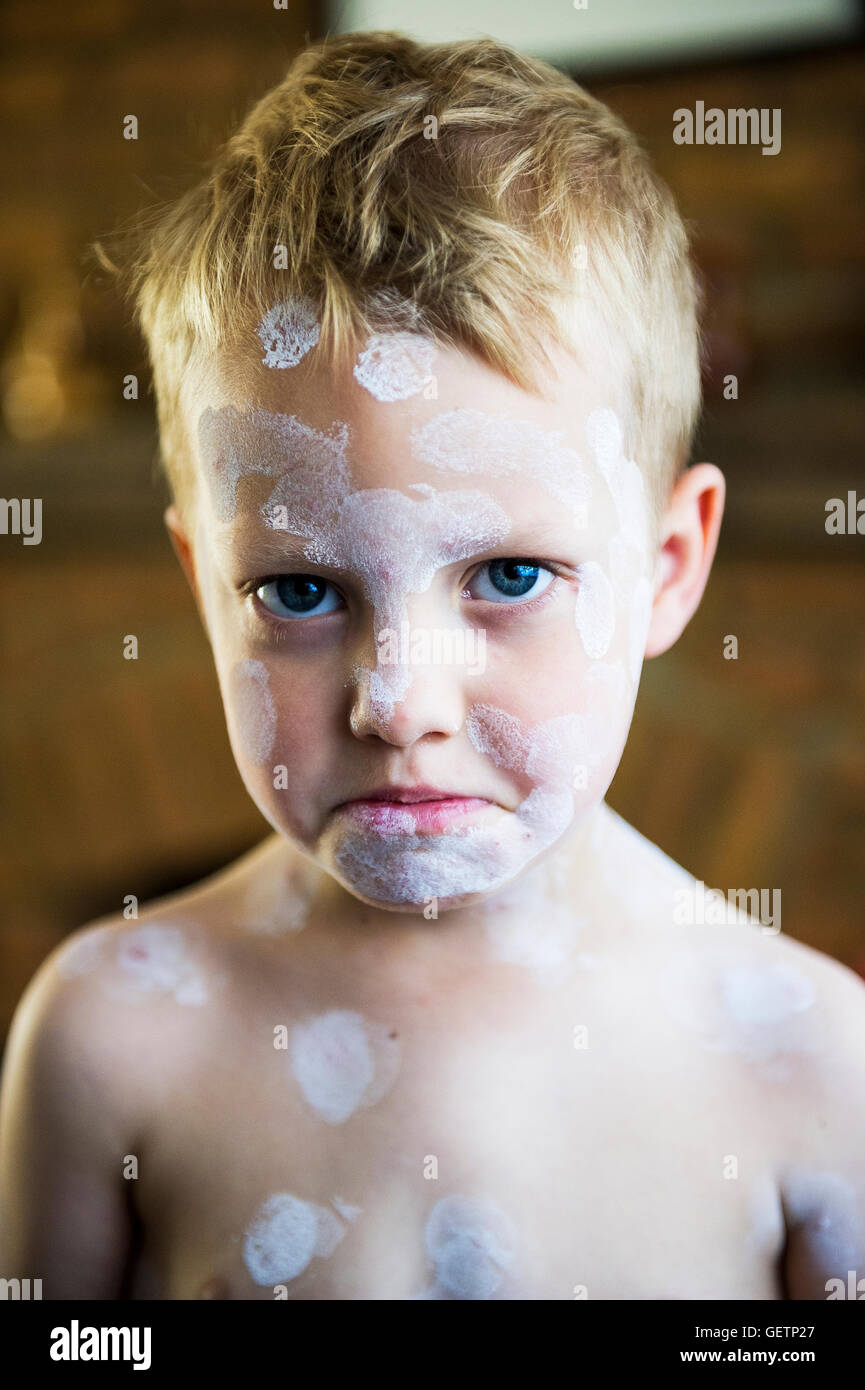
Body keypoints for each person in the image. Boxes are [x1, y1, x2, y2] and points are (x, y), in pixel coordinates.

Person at [1, 31, 863, 1301]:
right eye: (297, 591)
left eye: (509, 577)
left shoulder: (808, 1060)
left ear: (669, 568)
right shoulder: (110, 1031)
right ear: (203, 590)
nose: (397, 701)